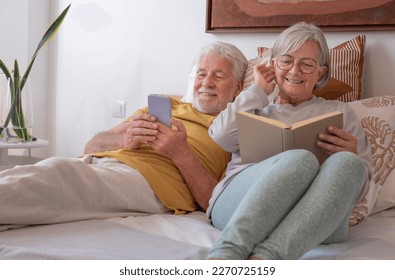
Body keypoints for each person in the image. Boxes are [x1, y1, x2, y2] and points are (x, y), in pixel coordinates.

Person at [0, 41, 248, 228]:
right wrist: (125, 138)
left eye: (218, 75)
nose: (206, 82)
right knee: (32, 173)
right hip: (97, 164)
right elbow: (91, 144)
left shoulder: (237, 128)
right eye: (202, 73)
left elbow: (216, 203)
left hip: (147, 183)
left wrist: (181, 153)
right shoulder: (167, 105)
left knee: (58, 175)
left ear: (238, 87)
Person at [206, 22, 372, 260]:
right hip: (240, 204)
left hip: (314, 217)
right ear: (273, 65)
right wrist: (257, 91)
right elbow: (219, 137)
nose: (295, 71)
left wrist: (354, 155)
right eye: (286, 61)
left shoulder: (340, 112)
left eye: (307, 64)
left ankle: (267, 258)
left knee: (351, 164)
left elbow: (361, 188)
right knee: (300, 159)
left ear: (320, 73)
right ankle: (225, 255)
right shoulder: (256, 104)